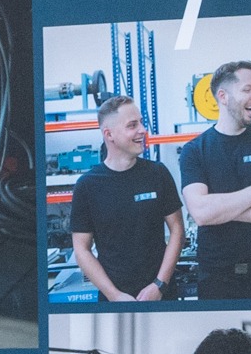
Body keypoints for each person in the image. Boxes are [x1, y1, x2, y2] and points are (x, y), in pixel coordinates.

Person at [176, 61, 251, 299]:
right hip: (217, 279)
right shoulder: (195, 151)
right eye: (247, 89)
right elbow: (201, 213)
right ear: (223, 96)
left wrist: (221, 211)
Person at [69, 95, 185, 301]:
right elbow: (81, 250)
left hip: (162, 296)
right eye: (132, 125)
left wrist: (159, 285)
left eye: (141, 122)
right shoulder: (87, 186)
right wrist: (114, 295)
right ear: (109, 134)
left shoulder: (158, 174)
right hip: (114, 301)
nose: (143, 130)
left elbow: (177, 231)